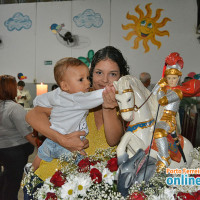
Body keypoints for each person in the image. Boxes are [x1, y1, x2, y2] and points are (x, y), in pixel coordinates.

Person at [24, 46, 129, 183]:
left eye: (113, 74)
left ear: (121, 77)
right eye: (99, 72)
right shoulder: (76, 97)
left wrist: (108, 107)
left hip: (84, 186)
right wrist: (62, 140)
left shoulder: (125, 106)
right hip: (48, 178)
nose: (104, 80)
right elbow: (32, 115)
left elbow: (112, 141)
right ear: (91, 73)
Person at [31, 57, 108, 171]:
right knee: (83, 162)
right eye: (81, 80)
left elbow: (39, 100)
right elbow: (97, 96)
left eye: (87, 77)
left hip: (52, 139)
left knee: (42, 154)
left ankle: (31, 169)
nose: (87, 82)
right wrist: (113, 89)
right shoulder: (78, 99)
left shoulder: (56, 94)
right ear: (65, 85)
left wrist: (36, 102)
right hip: (67, 145)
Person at [152, 52, 200, 173]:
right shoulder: (165, 88)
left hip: (168, 120)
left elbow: (162, 100)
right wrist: (159, 86)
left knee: (159, 132)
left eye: (174, 78)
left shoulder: (177, 91)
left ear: (178, 79)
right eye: (169, 78)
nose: (172, 81)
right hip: (160, 116)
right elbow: (152, 97)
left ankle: (164, 158)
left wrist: (160, 89)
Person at [0, 75, 37, 200]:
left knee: (5, 180)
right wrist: (40, 146)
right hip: (15, 151)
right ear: (11, 88)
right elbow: (26, 133)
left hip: (2, 149)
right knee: (12, 185)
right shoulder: (15, 108)